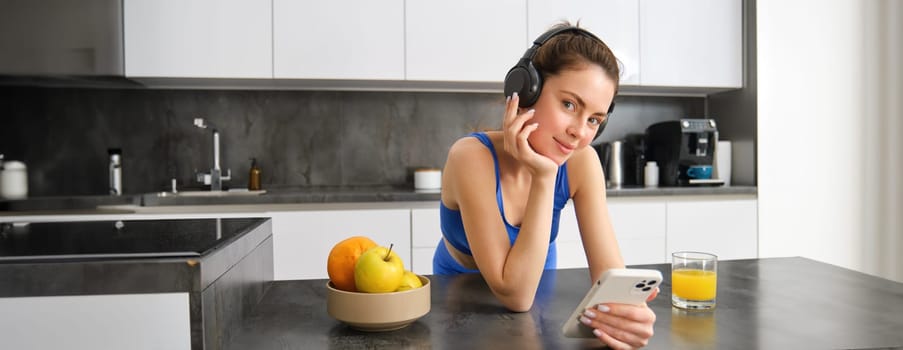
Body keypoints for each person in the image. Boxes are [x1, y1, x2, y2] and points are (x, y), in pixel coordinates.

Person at [433, 22, 658, 348]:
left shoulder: (582, 161)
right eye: (569, 104)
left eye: (594, 119)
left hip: (537, 303)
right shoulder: (470, 157)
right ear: (527, 90)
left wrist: (627, 315)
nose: (580, 132)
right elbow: (516, 295)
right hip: (460, 306)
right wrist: (544, 176)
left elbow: (610, 282)